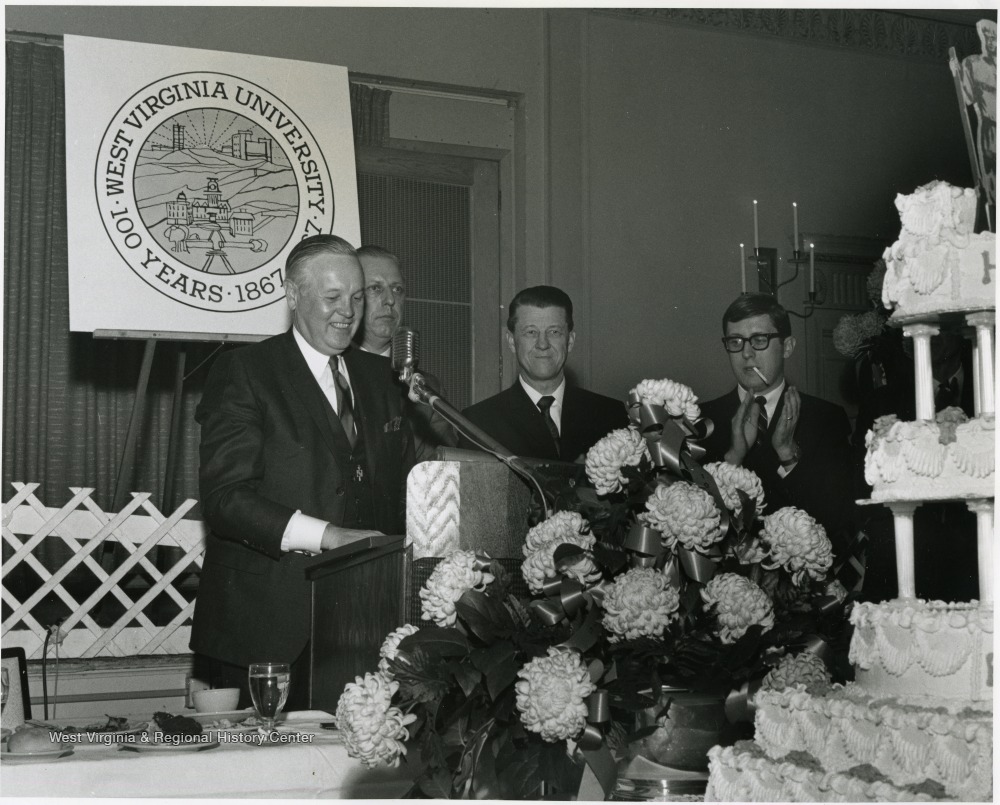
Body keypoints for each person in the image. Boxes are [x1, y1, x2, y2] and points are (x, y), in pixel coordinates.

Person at [191, 235, 415, 708]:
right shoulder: (245, 372)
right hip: (263, 632)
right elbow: (227, 498)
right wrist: (329, 535)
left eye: (358, 297)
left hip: (362, 627)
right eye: (332, 298)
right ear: (292, 295)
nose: (348, 313)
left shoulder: (381, 379)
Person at [699, 293, 856, 560]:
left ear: (787, 347)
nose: (746, 353)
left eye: (759, 340)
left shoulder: (826, 419)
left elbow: (838, 519)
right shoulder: (701, 420)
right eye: (735, 342)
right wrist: (733, 459)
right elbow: (695, 524)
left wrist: (788, 454)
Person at [461, 285, 628, 462]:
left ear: (570, 341)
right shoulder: (479, 423)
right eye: (531, 332)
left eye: (554, 332)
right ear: (511, 341)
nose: (543, 344)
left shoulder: (610, 415)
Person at [355, 245, 457, 461]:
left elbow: (438, 477)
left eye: (397, 289)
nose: (390, 300)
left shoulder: (426, 389)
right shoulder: (330, 372)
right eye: (375, 288)